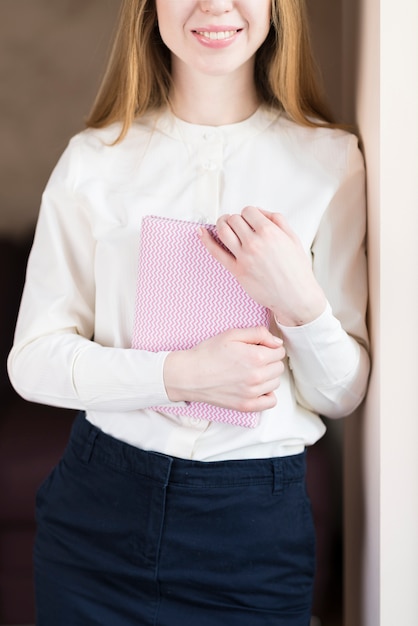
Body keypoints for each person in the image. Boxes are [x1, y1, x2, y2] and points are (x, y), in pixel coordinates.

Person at [8, 1, 370, 625]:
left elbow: (341, 393)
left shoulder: (331, 162)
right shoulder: (93, 159)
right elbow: (32, 362)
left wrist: (300, 302)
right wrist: (180, 376)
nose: (214, 5)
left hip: (253, 531)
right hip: (97, 515)